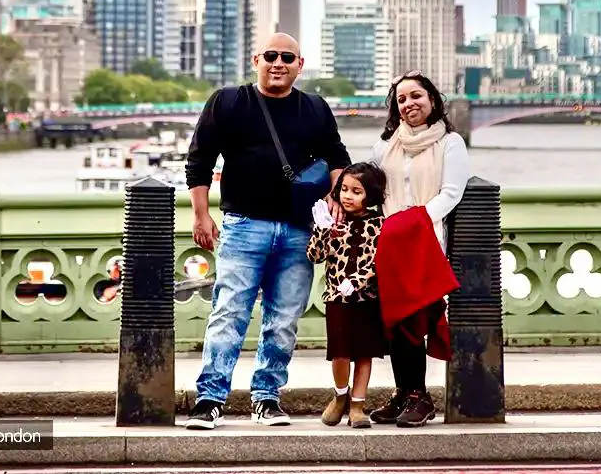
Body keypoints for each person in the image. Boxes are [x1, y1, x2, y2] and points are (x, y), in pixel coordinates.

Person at [183, 32, 352, 430]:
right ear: (256, 59)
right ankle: (210, 399)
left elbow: (337, 157)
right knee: (228, 312)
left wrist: (337, 197)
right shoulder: (228, 102)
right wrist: (200, 215)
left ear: (300, 65)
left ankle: (267, 398)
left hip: (299, 230)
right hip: (243, 225)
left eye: (287, 57)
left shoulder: (314, 108)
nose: (279, 63)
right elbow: (199, 160)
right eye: (271, 56)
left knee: (284, 319)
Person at [368, 70, 470, 428]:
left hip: (425, 241)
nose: (409, 103)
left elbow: (452, 193)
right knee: (395, 319)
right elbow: (373, 191)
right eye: (401, 99)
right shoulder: (384, 147)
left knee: (416, 318)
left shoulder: (450, 143)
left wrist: (413, 221)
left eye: (416, 96)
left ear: (431, 100)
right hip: (391, 243)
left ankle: (419, 397)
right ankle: (403, 392)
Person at [307, 162, 389, 429]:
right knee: (340, 353)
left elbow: (379, 262)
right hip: (337, 299)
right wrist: (321, 230)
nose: (347, 196)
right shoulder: (335, 221)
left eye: (356, 191)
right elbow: (315, 256)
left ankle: (357, 404)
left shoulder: (379, 224)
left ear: (370, 195)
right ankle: (340, 395)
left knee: (364, 353)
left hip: (367, 299)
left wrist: (357, 281)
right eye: (344, 189)